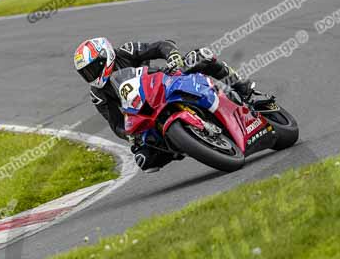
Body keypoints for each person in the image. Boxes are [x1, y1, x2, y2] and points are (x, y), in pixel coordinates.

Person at [73, 37, 255, 172]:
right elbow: (116, 123)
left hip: (163, 82)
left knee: (202, 56)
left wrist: (172, 55)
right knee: (143, 159)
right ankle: (183, 145)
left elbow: (160, 46)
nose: (91, 75)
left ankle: (243, 88)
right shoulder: (98, 94)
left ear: (106, 56)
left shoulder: (125, 51)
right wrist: (129, 135)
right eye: (86, 73)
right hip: (143, 113)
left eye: (93, 68)